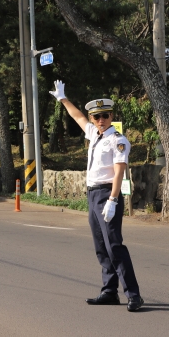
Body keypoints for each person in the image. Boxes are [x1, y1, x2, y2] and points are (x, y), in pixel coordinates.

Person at [50, 80, 144, 312]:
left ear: (111, 116)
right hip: (92, 195)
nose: (100, 120)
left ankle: (133, 294)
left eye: (104, 115)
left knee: (114, 246)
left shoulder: (118, 141)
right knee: (101, 247)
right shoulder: (94, 134)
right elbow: (77, 117)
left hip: (107, 193)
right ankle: (109, 291)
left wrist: (113, 199)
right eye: (96, 117)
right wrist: (63, 98)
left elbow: (120, 171)